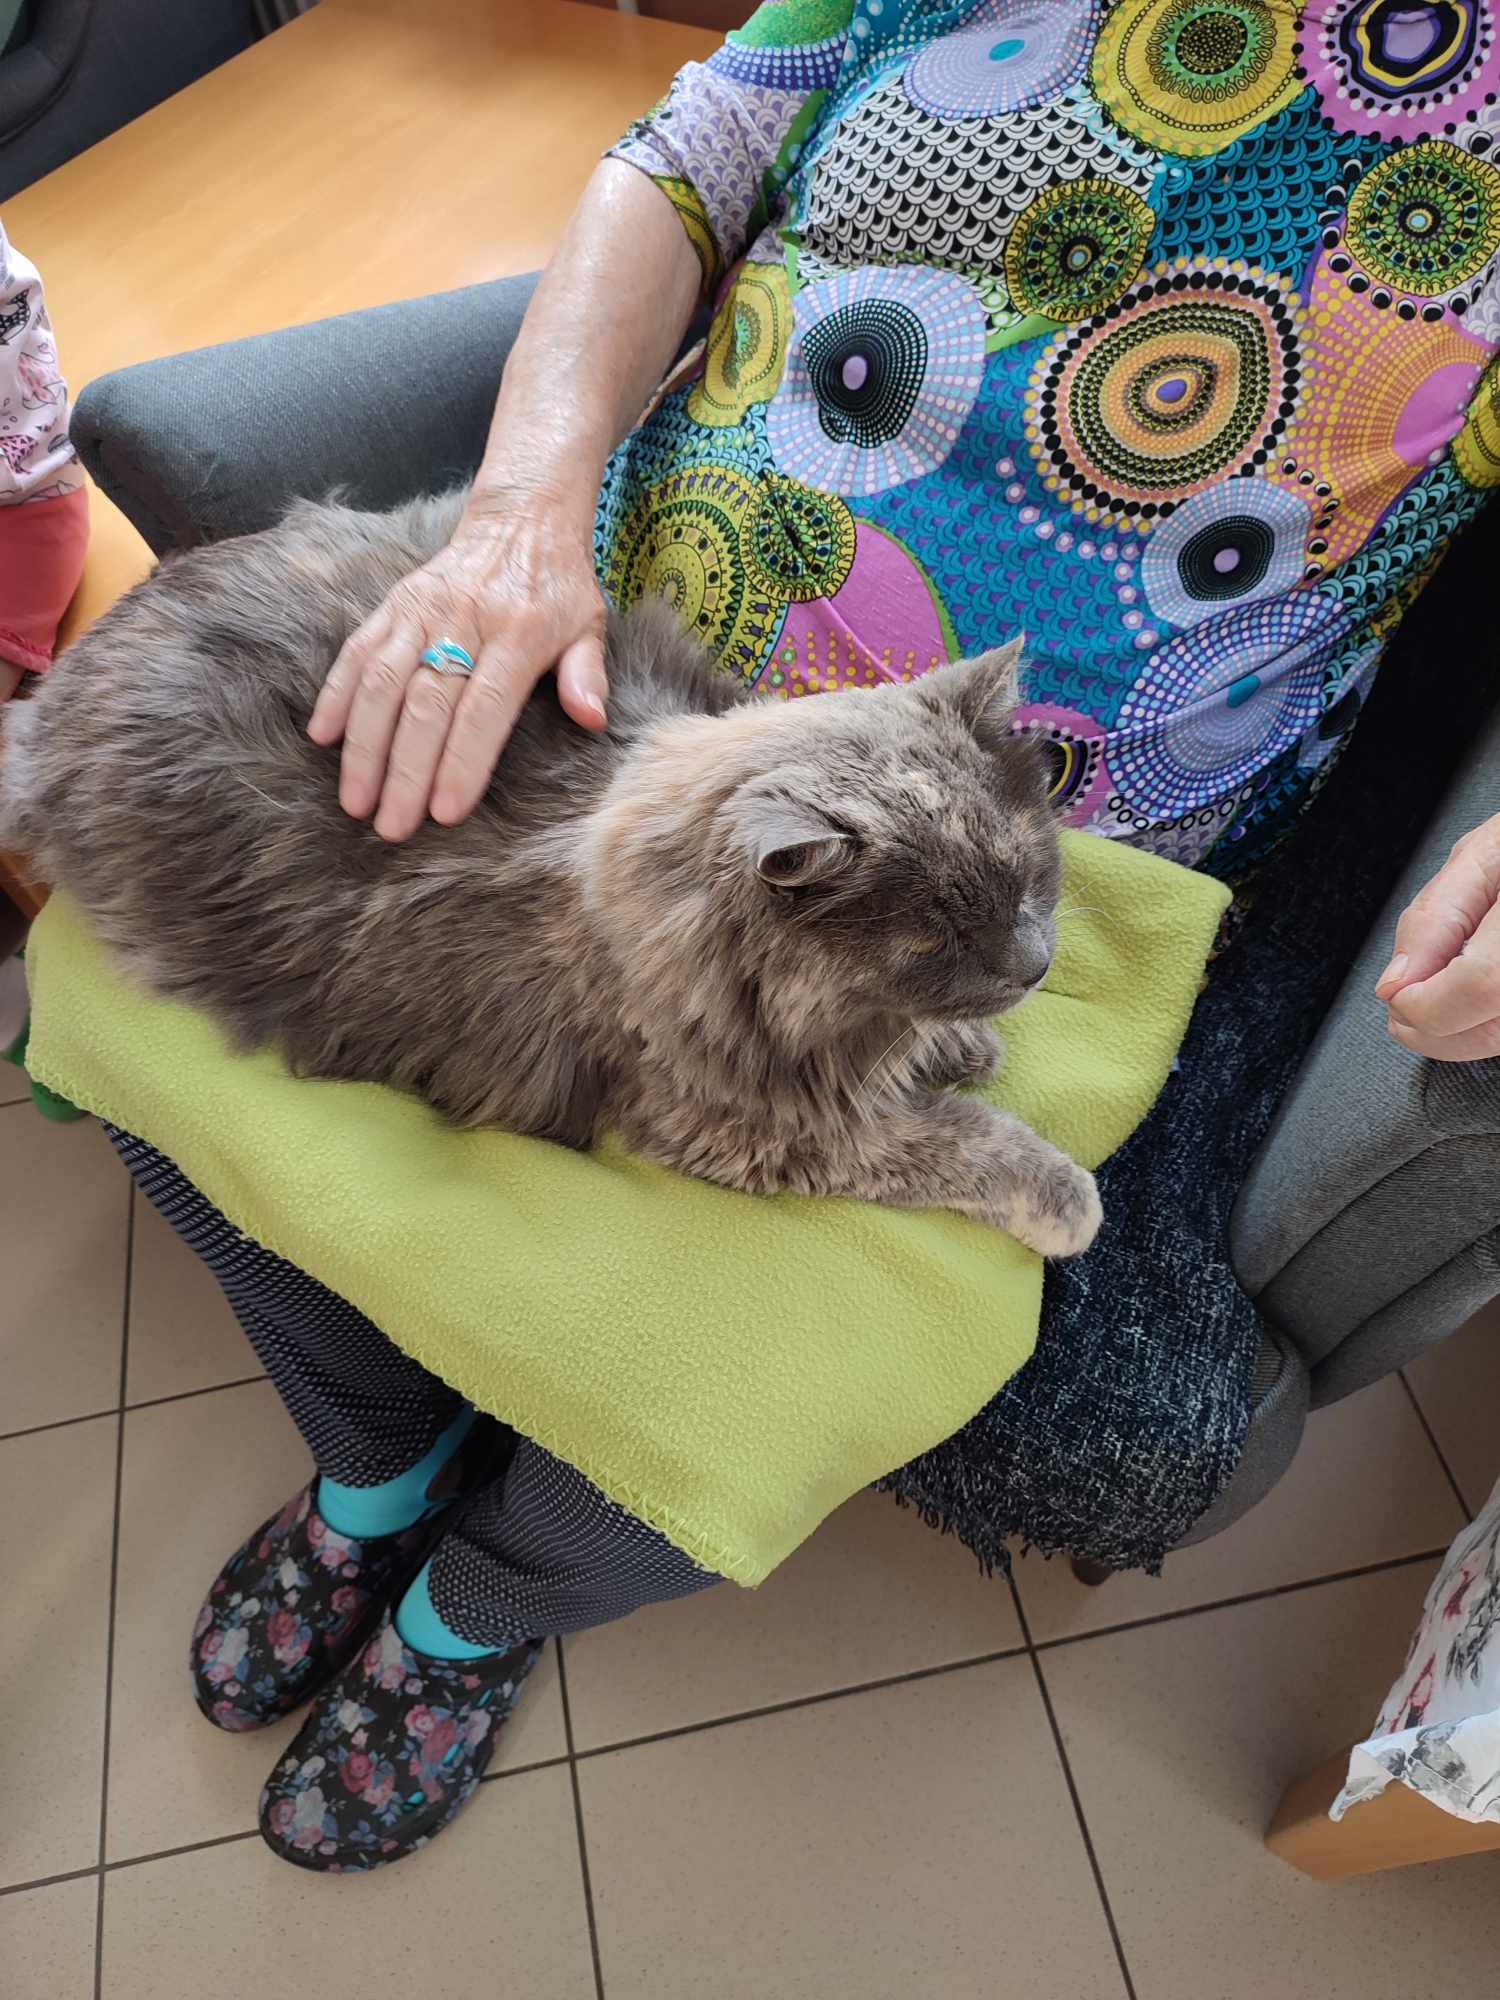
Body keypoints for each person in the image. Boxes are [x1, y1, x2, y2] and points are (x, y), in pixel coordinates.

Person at [111, 0, 1500, 1870]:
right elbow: (687, 160)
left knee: (800, 1353)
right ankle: (376, 1465)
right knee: (150, 1021)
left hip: (1049, 824)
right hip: (609, 694)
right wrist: (518, 516)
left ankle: (485, 1599)